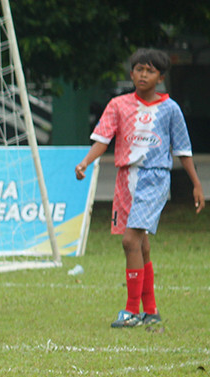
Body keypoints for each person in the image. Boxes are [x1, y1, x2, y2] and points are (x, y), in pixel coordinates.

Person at [75, 48, 204, 328]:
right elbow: (102, 140)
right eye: (139, 69)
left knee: (129, 241)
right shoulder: (118, 105)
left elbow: (183, 150)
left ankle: (132, 311)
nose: (144, 75)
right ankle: (151, 310)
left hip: (154, 178)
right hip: (126, 179)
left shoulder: (170, 109)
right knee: (141, 245)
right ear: (131, 73)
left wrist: (196, 184)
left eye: (150, 71)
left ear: (160, 77)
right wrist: (85, 162)